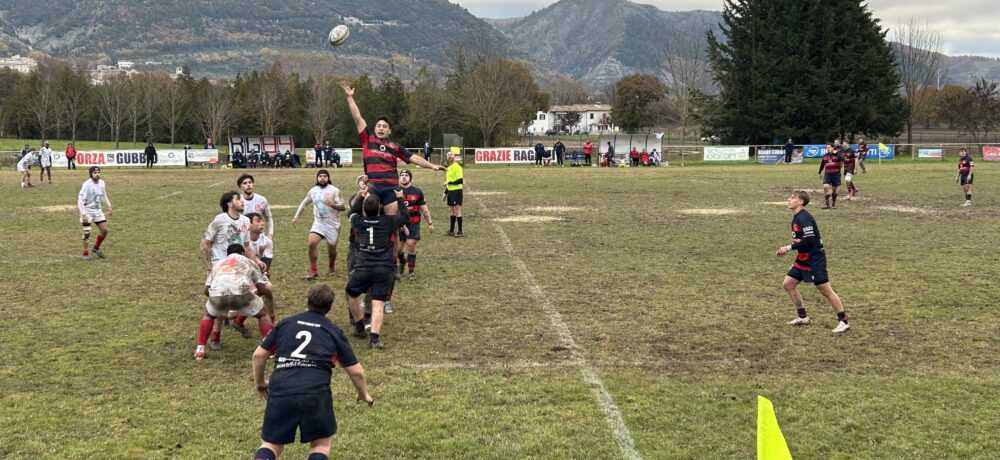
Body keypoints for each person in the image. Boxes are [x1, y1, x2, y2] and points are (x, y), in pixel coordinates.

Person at [251, 284, 373, 460]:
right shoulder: (333, 331)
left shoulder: (286, 324)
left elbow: (258, 356)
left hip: (282, 389)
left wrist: (260, 383)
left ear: (307, 301)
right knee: (321, 445)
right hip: (316, 392)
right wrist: (363, 394)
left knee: (271, 444)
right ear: (329, 307)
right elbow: (356, 372)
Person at [341, 81, 445, 217]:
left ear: (389, 131)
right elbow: (357, 117)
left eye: (384, 126)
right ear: (374, 128)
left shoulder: (395, 146)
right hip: (374, 187)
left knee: (392, 225)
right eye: (378, 126)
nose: (381, 128)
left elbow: (413, 158)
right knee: (369, 220)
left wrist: (432, 165)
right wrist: (350, 97)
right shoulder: (368, 138)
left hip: (391, 189)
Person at [776, 191, 850, 334]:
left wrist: (788, 247)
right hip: (803, 258)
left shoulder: (804, 218)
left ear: (801, 202)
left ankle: (843, 321)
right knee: (788, 284)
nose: (789, 199)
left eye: (793, 198)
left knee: (825, 291)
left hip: (815, 259)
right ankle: (803, 317)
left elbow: (809, 241)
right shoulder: (797, 217)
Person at [345, 190, 410, 349]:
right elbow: (405, 217)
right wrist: (400, 198)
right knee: (378, 304)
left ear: (364, 210)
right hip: (383, 268)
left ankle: (360, 325)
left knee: (350, 294)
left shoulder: (358, 221)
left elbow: (352, 212)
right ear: (381, 207)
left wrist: (361, 196)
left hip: (363, 267)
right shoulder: (388, 222)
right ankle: (374, 339)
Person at [195, 244, 273, 360]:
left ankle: (200, 350)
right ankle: (271, 350)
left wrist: (219, 305)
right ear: (242, 253)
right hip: (240, 291)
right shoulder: (249, 262)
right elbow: (262, 289)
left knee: (209, 315)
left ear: (228, 254)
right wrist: (248, 303)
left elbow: (206, 291)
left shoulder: (218, 264)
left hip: (218, 293)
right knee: (262, 314)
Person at [292, 170, 346, 280]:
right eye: (320, 176)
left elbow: (343, 207)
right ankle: (313, 271)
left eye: (324, 176)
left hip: (332, 224)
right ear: (317, 178)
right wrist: (296, 216)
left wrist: (333, 205)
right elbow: (304, 203)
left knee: (332, 251)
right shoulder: (313, 191)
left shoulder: (334, 191)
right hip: (318, 223)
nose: (322, 178)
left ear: (328, 178)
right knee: (311, 243)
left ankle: (331, 266)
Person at [396, 169, 433, 281]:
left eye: (406, 175)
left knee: (410, 244)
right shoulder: (395, 191)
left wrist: (430, 223)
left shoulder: (417, 192)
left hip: (413, 223)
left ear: (410, 178)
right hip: (398, 224)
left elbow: (424, 209)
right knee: (397, 250)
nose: (403, 177)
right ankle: (402, 261)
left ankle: (411, 272)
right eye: (402, 175)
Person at [78, 166, 113, 260]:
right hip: (87, 211)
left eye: (98, 172)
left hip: (97, 210)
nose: (97, 174)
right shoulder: (86, 185)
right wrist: (83, 213)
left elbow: (103, 195)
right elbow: (80, 200)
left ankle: (96, 247)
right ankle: (85, 253)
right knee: (86, 233)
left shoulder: (102, 183)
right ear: (91, 174)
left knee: (105, 230)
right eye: (95, 173)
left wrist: (109, 205)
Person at [818, 144, 844, 209]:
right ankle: (827, 204)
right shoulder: (825, 156)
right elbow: (822, 164)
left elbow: (843, 159)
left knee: (834, 190)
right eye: (827, 147)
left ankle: (833, 204)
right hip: (827, 174)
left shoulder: (837, 154)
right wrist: (819, 172)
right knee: (825, 186)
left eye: (829, 147)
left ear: (833, 148)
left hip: (836, 174)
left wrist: (837, 153)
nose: (827, 148)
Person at [445, 153, 464, 237]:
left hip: (457, 191)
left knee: (457, 210)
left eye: (451, 154)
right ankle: (451, 230)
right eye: (447, 155)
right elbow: (448, 181)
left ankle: (460, 231)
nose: (449, 156)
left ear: (454, 157)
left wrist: (450, 183)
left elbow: (460, 180)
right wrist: (445, 192)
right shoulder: (448, 168)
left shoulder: (457, 167)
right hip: (451, 191)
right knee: (451, 211)